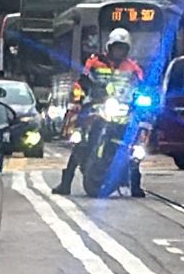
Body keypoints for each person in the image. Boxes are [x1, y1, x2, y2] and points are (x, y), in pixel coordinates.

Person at [54, 26, 145, 197]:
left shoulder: (133, 68)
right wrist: (77, 100)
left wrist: (145, 101)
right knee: (79, 140)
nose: (119, 51)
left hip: (122, 112)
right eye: (116, 47)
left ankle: (135, 183)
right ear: (109, 47)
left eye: (122, 48)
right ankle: (65, 183)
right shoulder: (95, 63)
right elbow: (82, 83)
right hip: (97, 108)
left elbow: (142, 88)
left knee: (134, 144)